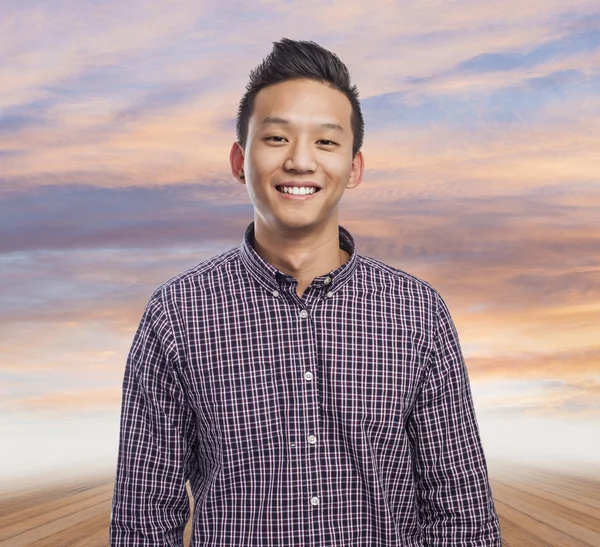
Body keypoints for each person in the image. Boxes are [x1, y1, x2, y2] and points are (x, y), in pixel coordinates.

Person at [110, 37, 502, 546]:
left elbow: (462, 517)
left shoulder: (417, 313)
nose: (300, 161)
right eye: (276, 138)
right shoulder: (177, 314)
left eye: (326, 141)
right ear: (239, 159)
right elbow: (143, 522)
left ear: (354, 167)